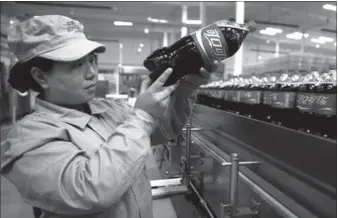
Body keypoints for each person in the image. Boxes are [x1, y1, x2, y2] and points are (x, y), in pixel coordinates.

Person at [0, 15, 218, 218]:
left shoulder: (109, 110)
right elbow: (89, 190)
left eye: (92, 60)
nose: (92, 72)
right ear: (41, 76)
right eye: (76, 65)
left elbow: (164, 130)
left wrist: (187, 85)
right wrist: (141, 117)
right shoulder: (28, 138)